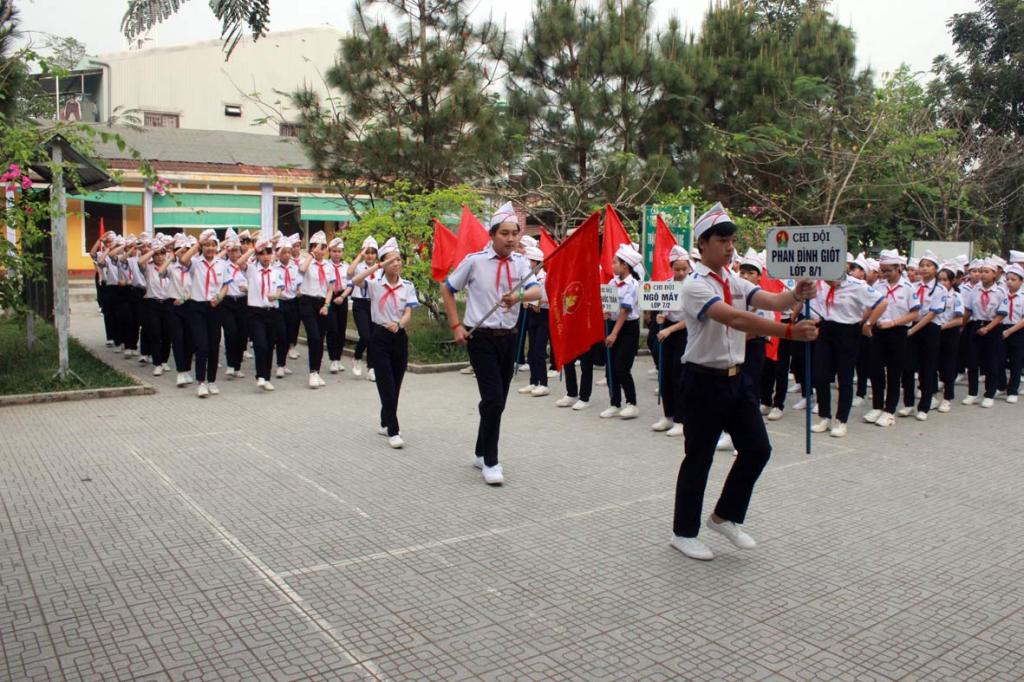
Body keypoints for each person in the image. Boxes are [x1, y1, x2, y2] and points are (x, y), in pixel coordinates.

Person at [671, 203, 818, 562]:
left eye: (732, 241)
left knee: (757, 449)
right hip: (703, 381)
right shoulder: (695, 285)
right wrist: (788, 331)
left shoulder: (735, 280)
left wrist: (797, 294)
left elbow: (771, 299)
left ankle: (724, 516)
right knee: (699, 458)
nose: (729, 247)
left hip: (737, 379)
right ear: (703, 244)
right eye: (722, 241)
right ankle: (683, 533)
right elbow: (735, 319)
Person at [442, 201, 541, 486]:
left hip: (509, 338)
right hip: (481, 338)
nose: (510, 239)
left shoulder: (521, 263)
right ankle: (491, 461)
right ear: (492, 234)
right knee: (494, 398)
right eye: (504, 233)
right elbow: (448, 288)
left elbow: (537, 291)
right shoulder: (475, 261)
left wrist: (518, 297)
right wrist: (456, 326)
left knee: (497, 401)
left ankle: (480, 451)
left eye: (515, 233)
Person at [350, 238, 419, 448]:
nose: (396, 263)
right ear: (383, 263)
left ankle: (384, 421)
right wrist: (378, 266)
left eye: (398, 259)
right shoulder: (374, 285)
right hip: (379, 337)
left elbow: (408, 313)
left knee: (395, 384)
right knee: (386, 384)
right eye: (391, 260)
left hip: (399, 336)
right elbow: (355, 279)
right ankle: (393, 430)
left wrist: (399, 324)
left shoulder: (407, 286)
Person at [808, 270, 886, 437]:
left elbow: (882, 302)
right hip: (826, 329)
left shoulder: (857, 285)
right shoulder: (820, 283)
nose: (828, 282)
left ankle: (841, 420)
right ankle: (824, 416)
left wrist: (868, 323)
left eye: (831, 279)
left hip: (848, 331)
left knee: (845, 378)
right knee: (820, 375)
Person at [864, 250, 919, 428]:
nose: (885, 274)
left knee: (894, 372)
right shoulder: (879, 287)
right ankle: (877, 406)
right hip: (878, 331)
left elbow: (914, 314)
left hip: (898, 331)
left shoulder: (908, 288)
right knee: (875, 369)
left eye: (889, 270)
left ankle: (889, 410)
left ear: (899, 268)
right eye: (883, 270)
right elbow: (871, 307)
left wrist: (894, 322)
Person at [179, 229, 234, 398]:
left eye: (213, 245)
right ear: (202, 247)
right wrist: (198, 244)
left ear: (217, 247)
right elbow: (183, 260)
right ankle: (201, 382)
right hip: (197, 308)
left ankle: (211, 381)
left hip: (215, 307)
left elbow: (226, 285)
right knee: (201, 345)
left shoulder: (223, 264)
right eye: (207, 245)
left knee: (213, 345)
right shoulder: (196, 263)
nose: (210, 248)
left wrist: (219, 297)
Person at [899, 251, 947, 420]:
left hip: (929, 329)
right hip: (911, 326)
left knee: (927, 368)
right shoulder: (912, 287)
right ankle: (908, 404)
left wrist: (914, 330)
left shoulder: (940, 289)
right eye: (922, 266)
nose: (924, 269)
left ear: (935, 269)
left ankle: (924, 406)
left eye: (929, 266)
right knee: (907, 367)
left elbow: (932, 314)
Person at [235, 237, 285, 392]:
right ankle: (260, 375)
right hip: (255, 312)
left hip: (272, 311)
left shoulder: (276, 271)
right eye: (262, 253)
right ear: (257, 255)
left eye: (268, 253)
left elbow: (280, 289)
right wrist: (253, 249)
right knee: (260, 344)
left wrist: (276, 296)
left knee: (269, 346)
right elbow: (239, 262)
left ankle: (266, 377)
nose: (265, 256)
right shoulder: (252, 269)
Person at [651, 245, 691, 436]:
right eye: (677, 269)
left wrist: (670, 329)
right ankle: (668, 415)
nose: (681, 273)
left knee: (679, 375)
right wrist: (661, 317)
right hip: (667, 330)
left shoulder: (693, 286)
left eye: (684, 269)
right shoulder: (666, 285)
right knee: (665, 373)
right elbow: (661, 307)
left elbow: (692, 317)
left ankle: (681, 420)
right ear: (671, 268)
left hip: (685, 332)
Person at [600, 244, 643, 419]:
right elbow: (609, 304)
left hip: (627, 329)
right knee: (610, 367)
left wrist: (613, 334)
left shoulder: (633, 285)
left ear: (625, 265)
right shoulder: (612, 282)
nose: (612, 265)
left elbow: (625, 311)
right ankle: (614, 403)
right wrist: (606, 312)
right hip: (612, 324)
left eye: (615, 262)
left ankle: (632, 403)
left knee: (622, 367)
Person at [963, 260, 1008, 408]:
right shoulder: (974, 290)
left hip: (993, 327)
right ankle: (972, 393)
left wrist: (988, 328)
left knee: (991, 361)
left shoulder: (1001, 292)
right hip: (976, 324)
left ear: (995, 274)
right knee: (973, 361)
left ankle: (989, 393)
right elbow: (968, 310)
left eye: (987, 272)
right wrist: (961, 326)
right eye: (981, 271)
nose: (982, 274)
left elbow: (1001, 314)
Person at [298, 231, 337, 389]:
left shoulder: (329, 266)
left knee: (320, 338)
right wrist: (312, 255)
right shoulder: (306, 261)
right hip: (307, 301)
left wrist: (326, 305)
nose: (320, 250)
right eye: (316, 247)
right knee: (313, 336)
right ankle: (312, 372)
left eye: (323, 247)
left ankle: (316, 371)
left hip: (322, 303)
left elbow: (330, 288)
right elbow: (302, 270)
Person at [518, 246, 551, 397]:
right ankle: (533, 381)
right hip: (531, 315)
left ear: (536, 262)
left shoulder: (546, 278)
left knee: (539, 351)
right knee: (531, 351)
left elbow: (550, 298)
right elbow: (522, 293)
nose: (526, 263)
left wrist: (536, 302)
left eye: (529, 261)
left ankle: (543, 383)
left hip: (544, 316)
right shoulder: (527, 277)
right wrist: (525, 299)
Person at [347, 236, 380, 378]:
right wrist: (360, 255)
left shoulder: (380, 268)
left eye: (373, 253)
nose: (370, 255)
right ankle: (357, 357)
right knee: (365, 335)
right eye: (367, 252)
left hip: (375, 304)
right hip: (360, 304)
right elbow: (349, 273)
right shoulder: (359, 267)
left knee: (373, 337)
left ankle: (371, 368)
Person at [935, 262, 965, 413]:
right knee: (932, 365)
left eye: (945, 280)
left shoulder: (956, 296)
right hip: (934, 332)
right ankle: (931, 396)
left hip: (949, 333)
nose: (942, 283)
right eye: (939, 280)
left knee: (948, 366)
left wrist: (942, 326)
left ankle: (947, 398)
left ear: (952, 281)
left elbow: (959, 320)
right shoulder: (933, 294)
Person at [324, 237, 352, 376]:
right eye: (334, 251)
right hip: (329, 296)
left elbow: (351, 284)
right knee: (332, 329)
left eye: (339, 251)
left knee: (341, 329)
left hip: (342, 297)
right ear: (329, 252)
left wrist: (343, 297)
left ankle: (338, 358)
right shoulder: (325, 265)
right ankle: (333, 359)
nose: (336, 254)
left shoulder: (346, 266)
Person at [273, 236, 300, 378]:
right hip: (280, 303)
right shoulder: (273, 267)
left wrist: (299, 290)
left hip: (292, 302)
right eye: (283, 252)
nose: (287, 255)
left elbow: (298, 284)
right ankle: (280, 364)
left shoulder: (295, 267)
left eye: (289, 252)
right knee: (281, 335)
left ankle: (283, 364)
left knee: (290, 333)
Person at [1002, 263, 1024, 404]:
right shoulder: (1001, 294)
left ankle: (1012, 390)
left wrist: (1010, 331)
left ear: (1021, 281)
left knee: (1016, 361)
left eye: (1014, 279)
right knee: (999, 359)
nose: (1009, 282)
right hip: (1001, 328)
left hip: (1017, 330)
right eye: (1008, 279)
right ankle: (1001, 385)